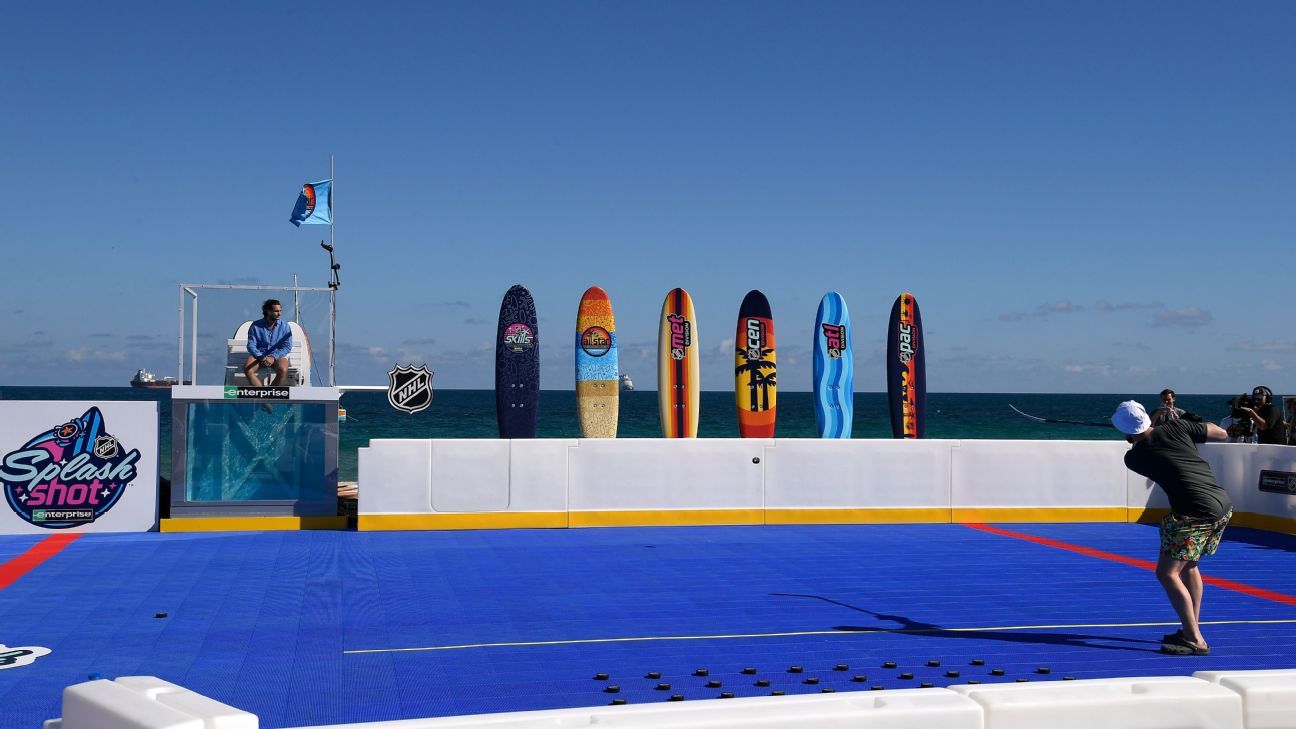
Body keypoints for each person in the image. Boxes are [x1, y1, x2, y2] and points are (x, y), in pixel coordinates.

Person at [1112, 400, 1231, 656]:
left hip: (1194, 511)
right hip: (1221, 504)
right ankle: (1191, 628)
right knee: (1189, 565)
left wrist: (1154, 427)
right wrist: (1181, 421)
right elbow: (1221, 433)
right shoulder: (1177, 427)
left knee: (1167, 573)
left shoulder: (1134, 458)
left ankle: (1195, 639)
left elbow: (1143, 442)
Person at [243, 299, 292, 386]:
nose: (279, 313)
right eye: (276, 311)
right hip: (259, 356)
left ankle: (271, 393)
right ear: (268, 311)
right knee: (248, 369)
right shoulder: (255, 326)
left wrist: (273, 357)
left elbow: (287, 347)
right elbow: (251, 345)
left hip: (277, 356)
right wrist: (260, 356)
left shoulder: (285, 326)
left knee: (283, 369)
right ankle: (262, 395)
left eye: (280, 311)